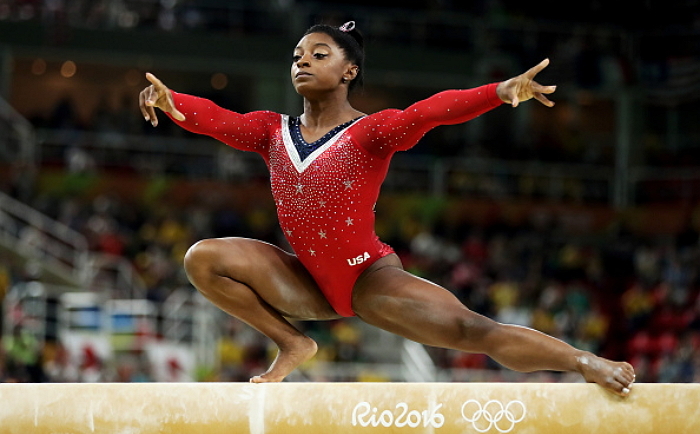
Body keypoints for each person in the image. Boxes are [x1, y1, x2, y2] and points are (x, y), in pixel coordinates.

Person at [139, 21, 635, 396]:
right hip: (305, 281)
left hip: (369, 279)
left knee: (471, 329)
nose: (302, 62)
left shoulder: (371, 132)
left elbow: (432, 111)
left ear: (348, 71)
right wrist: (171, 99)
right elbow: (219, 120)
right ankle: (293, 343)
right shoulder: (273, 130)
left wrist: (498, 93)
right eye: (296, 56)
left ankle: (584, 363)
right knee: (203, 257)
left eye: (318, 54)